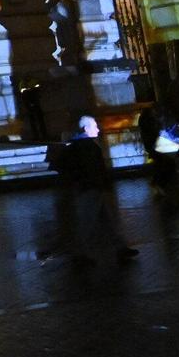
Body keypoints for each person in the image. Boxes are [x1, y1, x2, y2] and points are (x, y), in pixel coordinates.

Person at [48, 115, 139, 269]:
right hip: (89, 188)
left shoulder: (79, 146)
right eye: (94, 126)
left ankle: (118, 247)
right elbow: (96, 170)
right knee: (90, 223)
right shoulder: (87, 147)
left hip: (88, 188)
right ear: (86, 129)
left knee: (104, 221)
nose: (97, 129)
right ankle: (83, 253)